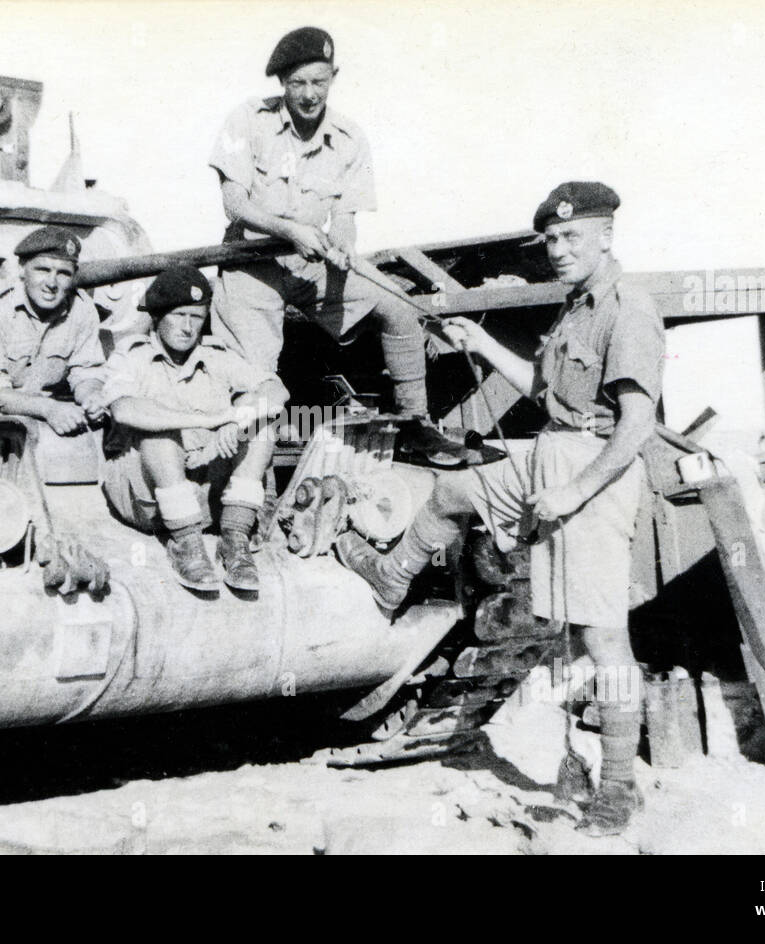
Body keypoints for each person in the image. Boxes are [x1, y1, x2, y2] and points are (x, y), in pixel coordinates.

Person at [337, 182, 665, 837]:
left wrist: (574, 492)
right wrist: (479, 343)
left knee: (603, 638)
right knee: (456, 486)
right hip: (551, 452)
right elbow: (547, 393)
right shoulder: (575, 308)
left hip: (596, 472)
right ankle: (393, 572)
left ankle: (618, 790)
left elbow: (636, 426)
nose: (559, 250)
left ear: (606, 235)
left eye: (572, 237)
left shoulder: (628, 308)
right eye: (551, 239)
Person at [208, 25, 460, 462]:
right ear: (281, 83)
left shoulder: (349, 138)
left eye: (318, 82)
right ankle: (253, 483)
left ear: (333, 77)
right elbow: (235, 204)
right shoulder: (248, 120)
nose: (308, 94)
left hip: (310, 264)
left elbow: (344, 217)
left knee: (397, 304)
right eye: (297, 83)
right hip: (251, 268)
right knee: (258, 382)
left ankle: (415, 426)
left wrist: (342, 244)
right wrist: (289, 231)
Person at [101, 265, 289, 593]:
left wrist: (238, 420)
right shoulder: (131, 356)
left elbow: (276, 390)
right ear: (158, 316)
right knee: (160, 436)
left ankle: (235, 537)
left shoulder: (216, 356)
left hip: (201, 489)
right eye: (179, 315)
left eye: (197, 317)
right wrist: (208, 421)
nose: (188, 328)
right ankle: (185, 544)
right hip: (146, 500)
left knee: (262, 426)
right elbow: (124, 408)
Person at [0, 225, 107, 435]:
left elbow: (86, 370)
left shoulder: (82, 309)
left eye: (64, 273)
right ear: (22, 269)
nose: (51, 283)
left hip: (45, 412)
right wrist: (48, 409)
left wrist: (92, 396)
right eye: (43, 270)